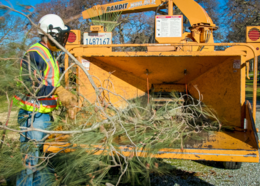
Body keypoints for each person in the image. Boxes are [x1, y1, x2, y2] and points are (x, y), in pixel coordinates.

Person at [13, 14, 77, 186]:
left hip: (44, 116)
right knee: (30, 163)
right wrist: (57, 90)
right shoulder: (36, 53)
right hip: (33, 116)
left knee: (43, 161)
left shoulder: (49, 53)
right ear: (50, 34)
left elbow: (50, 80)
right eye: (60, 37)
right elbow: (29, 85)